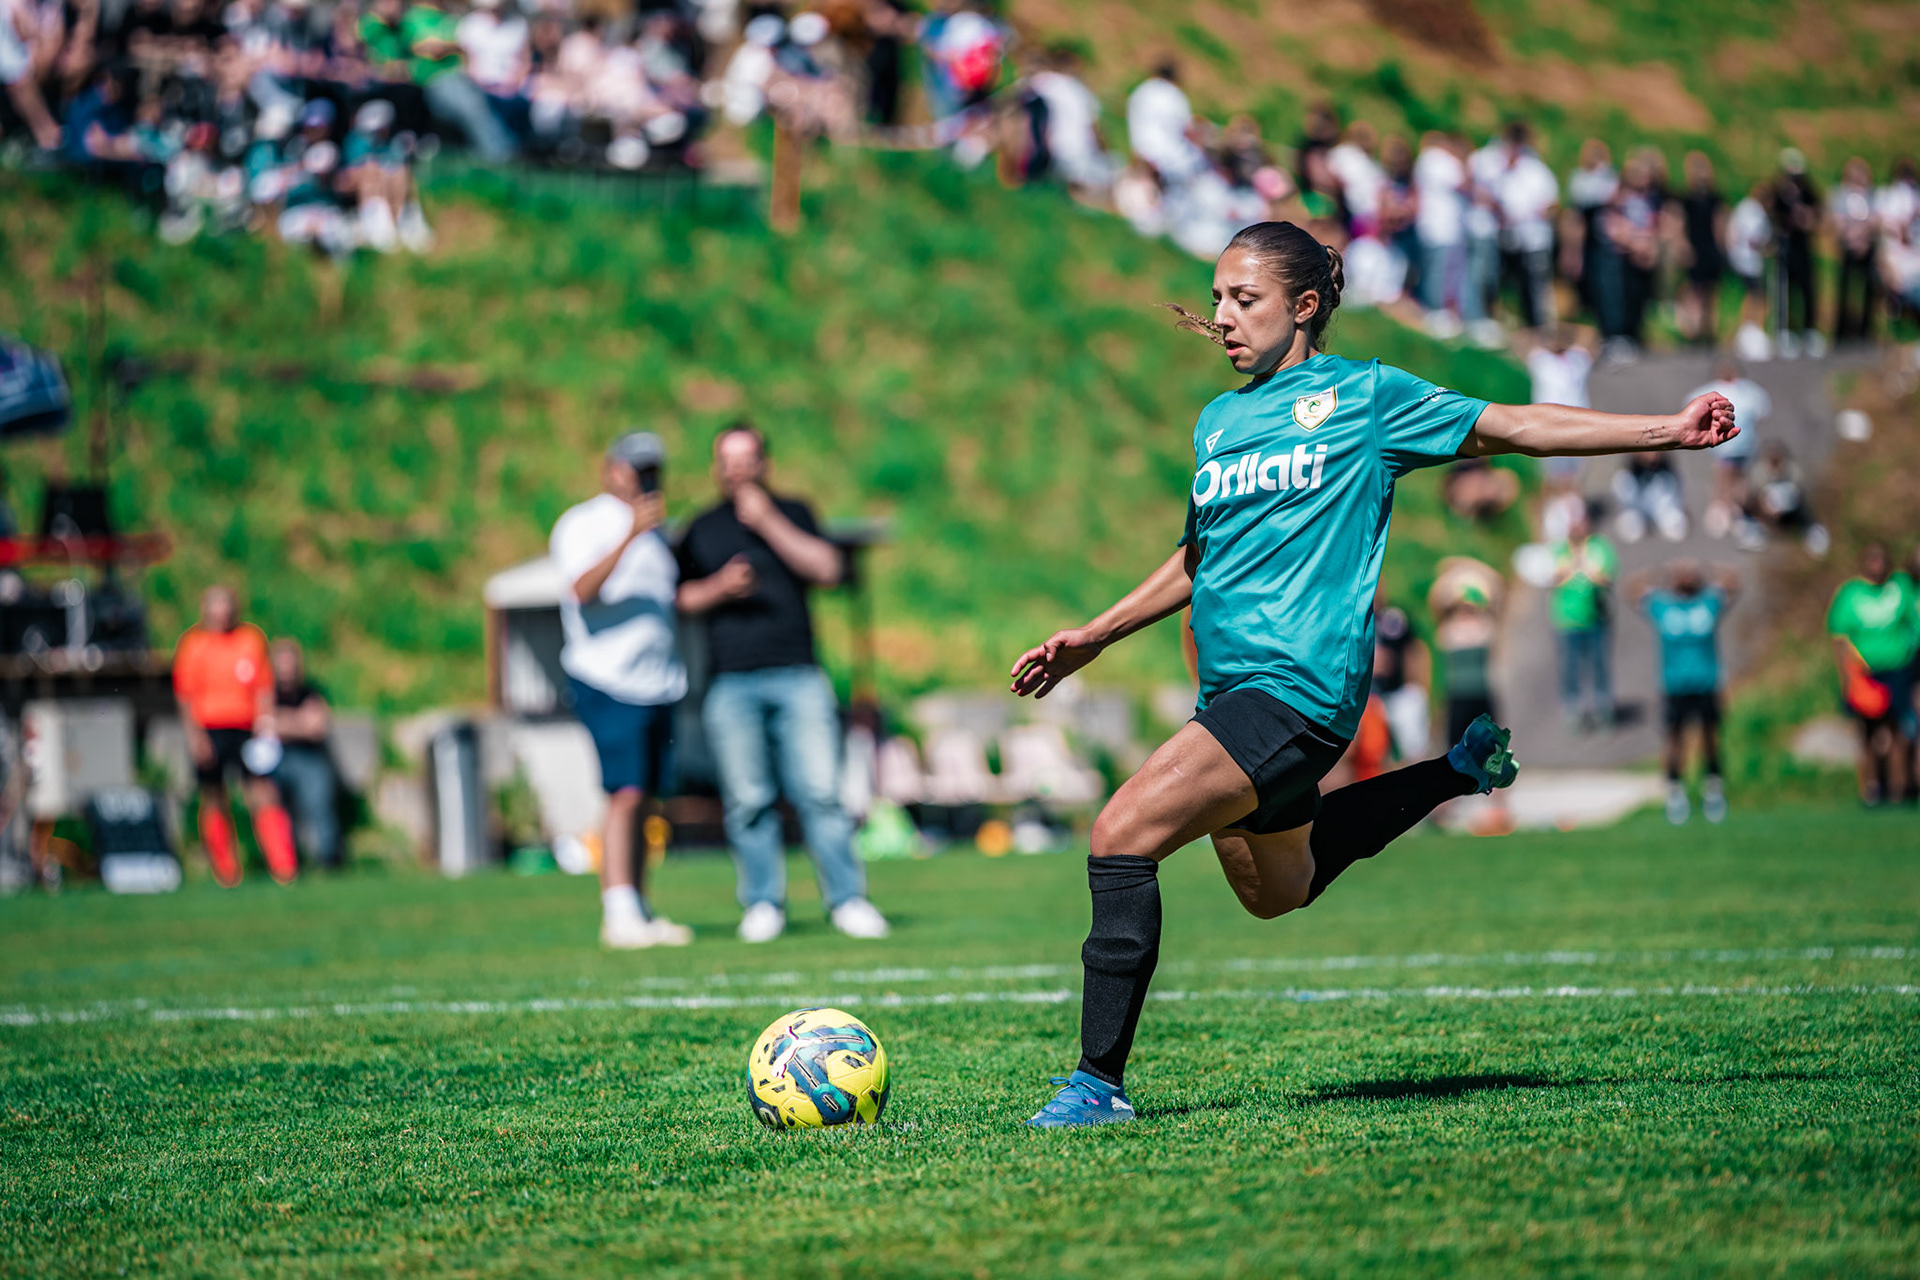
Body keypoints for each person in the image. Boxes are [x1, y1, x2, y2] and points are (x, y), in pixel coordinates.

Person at [1010, 219, 1738, 1126]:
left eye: (1246, 300)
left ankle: (1095, 1087)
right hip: (1232, 695)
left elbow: (1512, 426)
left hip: (1299, 692)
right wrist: (1097, 635)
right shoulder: (1219, 421)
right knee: (1279, 889)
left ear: (1305, 306)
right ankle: (1454, 772)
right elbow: (1199, 554)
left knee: (1121, 833)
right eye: (1217, 301)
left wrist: (1664, 428)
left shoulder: (1365, 398)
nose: (1224, 319)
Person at [675, 424, 890, 944]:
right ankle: (763, 903)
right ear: (715, 467)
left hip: (799, 675)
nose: (738, 468)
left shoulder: (793, 512)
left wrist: (768, 522)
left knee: (820, 792)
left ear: (765, 463)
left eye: (746, 458)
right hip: (730, 683)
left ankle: (847, 900)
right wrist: (719, 587)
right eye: (727, 459)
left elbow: (829, 568)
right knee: (747, 799)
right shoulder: (700, 529)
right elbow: (678, 599)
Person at [549, 432, 693, 950]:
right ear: (612, 469)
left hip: (658, 682)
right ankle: (617, 910)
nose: (646, 477)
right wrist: (630, 534)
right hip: (608, 679)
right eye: (637, 467)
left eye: (653, 467)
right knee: (624, 795)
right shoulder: (585, 522)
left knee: (648, 798)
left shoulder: (659, 532)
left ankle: (639, 906)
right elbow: (581, 591)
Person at [173, 586, 300, 887]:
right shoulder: (193, 644)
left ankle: (283, 867)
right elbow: (186, 696)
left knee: (263, 792)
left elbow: (263, 686)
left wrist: (265, 724)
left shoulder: (250, 639)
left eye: (226, 605)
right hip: (210, 728)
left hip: (247, 728)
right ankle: (226, 871)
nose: (221, 612)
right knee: (215, 797)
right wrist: (195, 737)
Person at [1632, 562, 1739, 824]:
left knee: (1709, 739)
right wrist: (1655, 577)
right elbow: (1632, 588)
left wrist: (1712, 573)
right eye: (1680, 574)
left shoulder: (1708, 603)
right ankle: (1675, 792)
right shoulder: (1662, 606)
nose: (1685, 577)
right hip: (1674, 685)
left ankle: (1713, 790)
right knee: (1674, 740)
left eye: (1690, 573)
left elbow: (1733, 582)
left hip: (1705, 682)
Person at [1827, 542, 1918, 806]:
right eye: (1872, 560)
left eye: (1881, 559)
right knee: (1867, 733)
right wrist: (1847, 677)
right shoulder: (1851, 593)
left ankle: (1899, 790)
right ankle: (1872, 790)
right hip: (1864, 674)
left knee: (1899, 731)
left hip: (1899, 671)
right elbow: (1839, 638)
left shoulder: (1901, 586)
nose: (1877, 565)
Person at [268, 637, 343, 869]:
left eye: (291, 662)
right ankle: (287, 864)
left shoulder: (310, 690)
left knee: (318, 802)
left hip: (310, 758)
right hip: (276, 759)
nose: (287, 669)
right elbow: (262, 724)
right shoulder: (266, 693)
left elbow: (318, 726)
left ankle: (330, 860)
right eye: (282, 662)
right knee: (274, 808)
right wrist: (299, 722)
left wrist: (281, 723)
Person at [1550, 500, 1618, 731]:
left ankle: (1602, 709)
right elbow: (1555, 576)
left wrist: (1585, 570)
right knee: (1570, 666)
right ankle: (1573, 710)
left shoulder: (1600, 546)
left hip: (1597, 616)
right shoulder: (1561, 549)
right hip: (1567, 618)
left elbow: (1605, 576)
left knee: (1599, 665)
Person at [1686, 358, 1768, 541]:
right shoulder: (1714, 390)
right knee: (1723, 477)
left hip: (1744, 446)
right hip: (1724, 446)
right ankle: (1721, 509)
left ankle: (1736, 511)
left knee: (1740, 481)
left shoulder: (1748, 390)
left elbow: (1761, 412)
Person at [1371, 588, 1430, 761]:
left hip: (1398, 692)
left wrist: (1418, 684)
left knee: (1411, 749)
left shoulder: (1394, 618)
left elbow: (1417, 650)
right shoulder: (1351, 621)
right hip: (1368, 699)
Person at [1677, 152, 1726, 344]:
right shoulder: (1687, 199)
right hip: (1695, 247)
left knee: (1711, 292)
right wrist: (1683, 245)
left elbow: (1719, 224)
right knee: (1695, 290)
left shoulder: (1715, 198)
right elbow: (1681, 224)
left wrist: (1721, 249)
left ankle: (1709, 329)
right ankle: (1694, 330)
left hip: (1710, 247)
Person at [1830, 157, 1879, 344]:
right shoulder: (1842, 195)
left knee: (1868, 290)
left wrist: (1862, 235)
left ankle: (1865, 331)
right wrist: (1854, 235)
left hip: (1867, 247)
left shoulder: (1871, 195)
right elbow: (1838, 221)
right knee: (1845, 290)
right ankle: (1842, 332)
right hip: (1848, 247)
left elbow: (1876, 219)